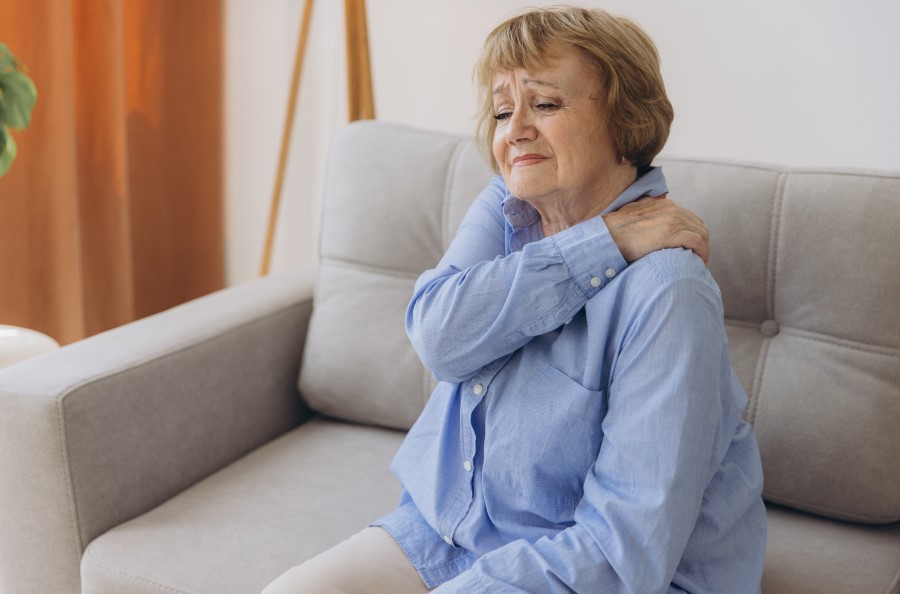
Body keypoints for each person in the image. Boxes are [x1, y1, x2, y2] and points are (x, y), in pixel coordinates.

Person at [262, 6, 765, 593]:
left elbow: (622, 550)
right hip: (449, 539)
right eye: (503, 110)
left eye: (545, 104)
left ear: (626, 121)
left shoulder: (670, 292)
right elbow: (439, 338)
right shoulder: (509, 207)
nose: (515, 129)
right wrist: (602, 242)